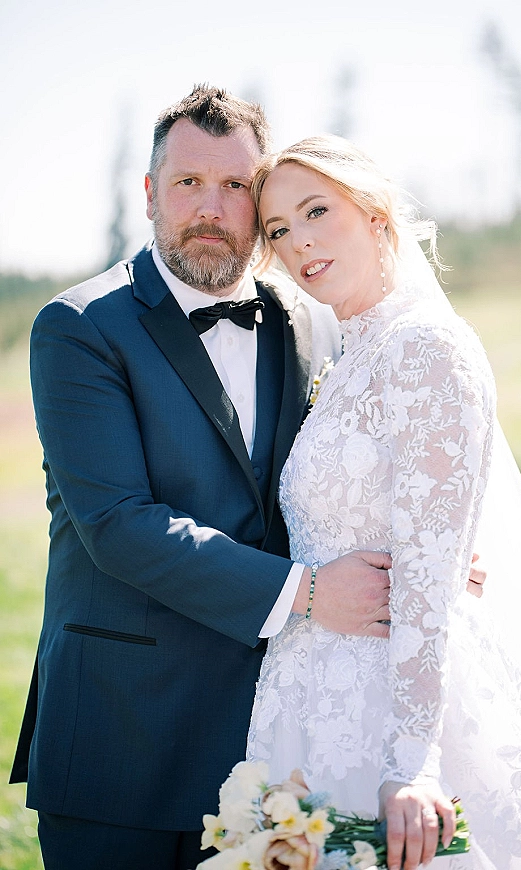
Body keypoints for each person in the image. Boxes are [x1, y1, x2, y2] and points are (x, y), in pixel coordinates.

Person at [9, 86, 402, 870]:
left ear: (260, 205)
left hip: (280, 748)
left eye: (235, 187)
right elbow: (119, 523)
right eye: (188, 183)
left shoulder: (309, 320)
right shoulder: (80, 327)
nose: (210, 208)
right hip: (124, 739)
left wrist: (428, 552)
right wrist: (310, 594)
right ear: (151, 194)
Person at [246, 135, 521, 869]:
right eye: (277, 229)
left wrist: (414, 764)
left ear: (373, 212)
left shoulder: (428, 348)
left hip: (401, 716)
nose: (298, 241)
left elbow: (430, 577)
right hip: (310, 709)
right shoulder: (345, 359)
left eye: (316, 211)